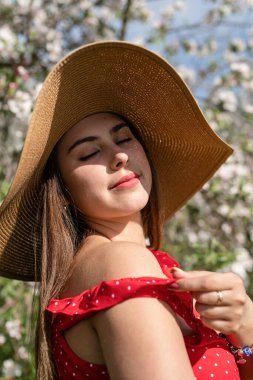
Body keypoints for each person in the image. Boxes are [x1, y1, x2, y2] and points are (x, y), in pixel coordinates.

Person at [0, 41, 252, 380]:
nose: (119, 156)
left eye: (125, 138)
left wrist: (245, 332)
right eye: (89, 153)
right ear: (62, 193)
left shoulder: (146, 265)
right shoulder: (118, 261)